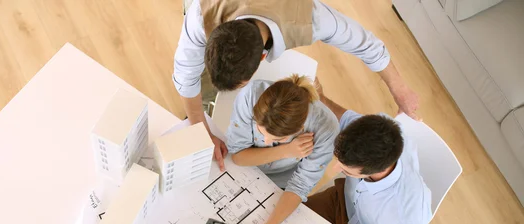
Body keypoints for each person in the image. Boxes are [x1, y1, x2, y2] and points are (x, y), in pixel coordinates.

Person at [173, 0, 419, 171]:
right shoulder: (201, 14)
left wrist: (401, 90)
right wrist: (199, 127)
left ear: (261, 58)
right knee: (199, 109)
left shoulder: (309, 16)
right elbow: (186, 73)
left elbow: (366, 44)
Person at [306, 91, 432, 224]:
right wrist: (321, 96)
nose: (335, 168)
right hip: (341, 200)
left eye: (346, 170)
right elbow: (347, 119)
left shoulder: (403, 217)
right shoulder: (378, 129)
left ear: (373, 171)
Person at [227, 75, 339, 224]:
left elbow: (299, 186)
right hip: (240, 170)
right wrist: (286, 150)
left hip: (279, 186)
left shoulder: (326, 128)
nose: (265, 140)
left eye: (277, 139)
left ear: (300, 128)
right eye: (259, 130)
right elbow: (238, 157)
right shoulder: (250, 95)